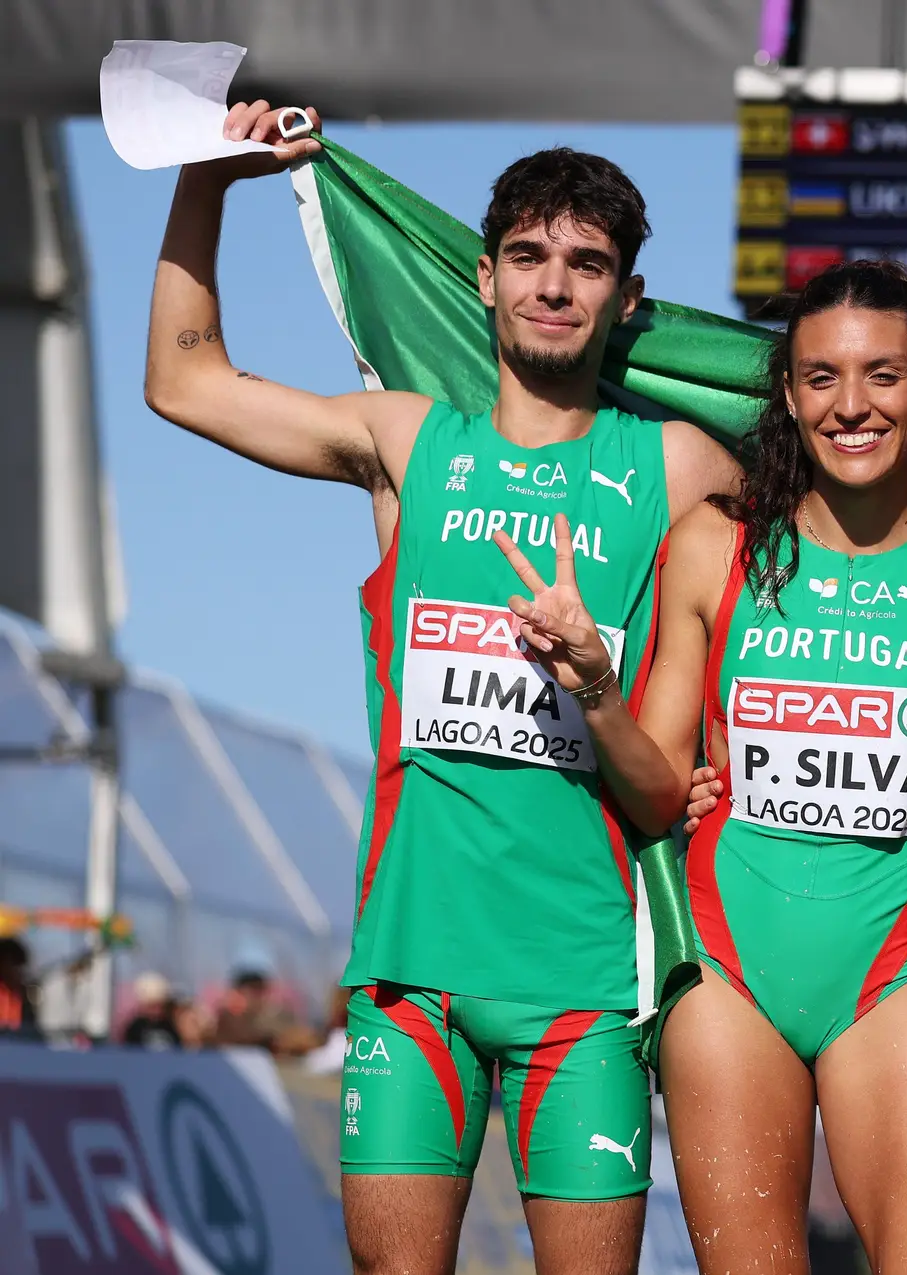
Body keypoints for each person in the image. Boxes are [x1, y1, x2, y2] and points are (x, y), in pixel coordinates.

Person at [144, 100, 737, 1275]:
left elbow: (830, 556)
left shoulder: (676, 467)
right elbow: (184, 381)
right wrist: (205, 182)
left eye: (586, 264)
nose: (553, 284)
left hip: (585, 982)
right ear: (483, 279)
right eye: (527, 256)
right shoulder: (410, 444)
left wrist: (715, 765)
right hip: (412, 969)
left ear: (627, 300)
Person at [638, 259, 907, 1274]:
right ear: (787, 393)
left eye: (882, 375)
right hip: (726, 970)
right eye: (822, 377)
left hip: (891, 967)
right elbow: (653, 775)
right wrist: (601, 693)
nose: (851, 405)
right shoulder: (714, 545)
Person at [211, 967, 319, 1056]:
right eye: (252, 991)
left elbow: (305, 1038)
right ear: (238, 992)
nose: (258, 997)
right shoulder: (227, 1019)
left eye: (260, 991)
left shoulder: (278, 1015)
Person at [123, 971, 207, 1049]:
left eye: (160, 1005)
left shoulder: (171, 1025)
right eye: (152, 1006)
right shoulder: (136, 1027)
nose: (157, 1010)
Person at [0, 936, 40, 1040]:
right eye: (14, 965)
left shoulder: (23, 994)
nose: (19, 972)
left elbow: (31, 1030)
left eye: (20, 967)